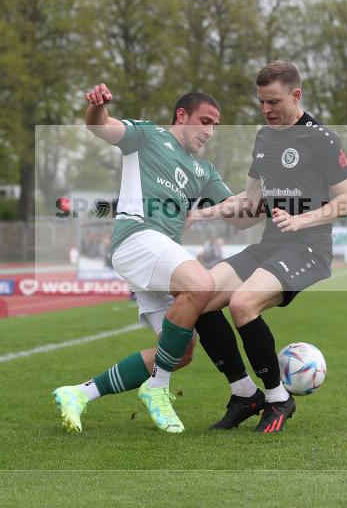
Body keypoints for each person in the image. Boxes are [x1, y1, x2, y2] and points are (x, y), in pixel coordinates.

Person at [187, 61, 347, 433]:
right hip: (271, 244)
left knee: (242, 304)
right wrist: (201, 214)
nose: (265, 109)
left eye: (273, 101)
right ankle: (244, 394)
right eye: (261, 102)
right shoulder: (264, 137)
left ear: (296, 95)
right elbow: (250, 202)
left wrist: (303, 219)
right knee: (198, 297)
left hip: (309, 248)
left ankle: (278, 399)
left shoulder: (322, 139)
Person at [52, 83, 232, 434]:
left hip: (161, 255)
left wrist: (270, 196)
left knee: (181, 351)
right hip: (137, 238)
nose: (210, 132)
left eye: (215, 125)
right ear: (182, 115)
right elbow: (100, 126)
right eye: (205, 121)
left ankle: (79, 394)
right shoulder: (148, 136)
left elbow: (240, 210)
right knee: (201, 284)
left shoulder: (205, 172)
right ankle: (157, 387)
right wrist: (97, 106)